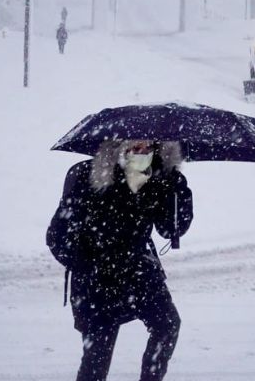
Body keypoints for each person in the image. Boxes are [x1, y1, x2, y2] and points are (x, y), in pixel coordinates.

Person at [46, 139, 193, 381]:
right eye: (136, 148)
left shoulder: (159, 178)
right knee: (97, 356)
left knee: (168, 325)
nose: (142, 153)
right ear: (119, 148)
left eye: (148, 148)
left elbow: (171, 229)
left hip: (139, 271)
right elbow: (57, 235)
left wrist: (178, 190)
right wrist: (88, 264)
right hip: (98, 280)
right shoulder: (90, 176)